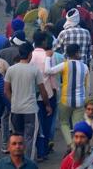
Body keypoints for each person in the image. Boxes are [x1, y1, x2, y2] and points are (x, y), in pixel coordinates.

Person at [4, 42, 51, 161]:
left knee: (18, 138)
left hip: (15, 110)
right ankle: (27, 163)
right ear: (30, 55)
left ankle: (17, 161)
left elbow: (6, 90)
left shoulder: (11, 69)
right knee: (30, 139)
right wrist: (47, 105)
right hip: (30, 110)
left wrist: (13, 101)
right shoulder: (34, 70)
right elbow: (42, 90)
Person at [44, 44, 89, 148]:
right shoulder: (85, 67)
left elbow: (48, 71)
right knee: (77, 125)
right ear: (77, 53)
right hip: (80, 101)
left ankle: (70, 143)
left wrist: (47, 58)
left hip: (65, 100)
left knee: (64, 123)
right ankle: (77, 144)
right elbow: (88, 86)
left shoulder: (65, 65)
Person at [28, 31, 58, 162]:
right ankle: (43, 150)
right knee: (46, 124)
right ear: (45, 41)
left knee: (36, 124)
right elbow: (51, 75)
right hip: (47, 94)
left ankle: (37, 150)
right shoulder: (48, 56)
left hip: (32, 95)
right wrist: (55, 90)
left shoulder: (29, 56)